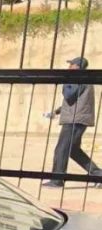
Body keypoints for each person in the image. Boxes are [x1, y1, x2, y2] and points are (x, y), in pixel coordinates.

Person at [43, 57, 102, 188]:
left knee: (61, 149)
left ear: (77, 66)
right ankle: (98, 175)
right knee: (73, 150)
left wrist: (65, 80)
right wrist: (56, 112)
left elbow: (69, 95)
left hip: (74, 120)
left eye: (71, 64)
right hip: (79, 118)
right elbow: (73, 100)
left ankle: (57, 179)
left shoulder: (78, 78)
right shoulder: (83, 78)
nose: (69, 67)